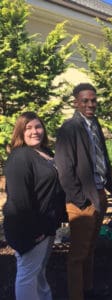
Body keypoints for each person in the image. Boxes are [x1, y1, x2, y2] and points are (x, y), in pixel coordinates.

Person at [54, 83, 112, 300]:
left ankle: (88, 290)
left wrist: (111, 188)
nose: (90, 104)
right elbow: (64, 169)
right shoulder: (69, 128)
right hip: (82, 200)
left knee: (90, 248)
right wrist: (80, 201)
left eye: (93, 100)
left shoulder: (95, 123)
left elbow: (103, 157)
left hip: (99, 194)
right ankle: (76, 295)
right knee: (77, 255)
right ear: (76, 102)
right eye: (85, 101)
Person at [3, 111, 66, 300]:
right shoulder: (20, 157)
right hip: (30, 230)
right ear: (20, 132)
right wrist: (35, 232)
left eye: (38, 127)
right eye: (28, 128)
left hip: (46, 226)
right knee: (27, 275)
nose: (34, 131)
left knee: (39, 271)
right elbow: (19, 201)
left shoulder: (45, 153)